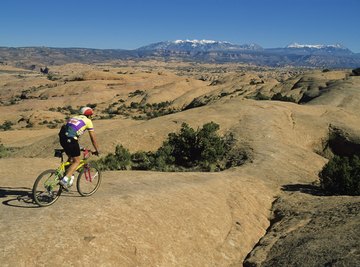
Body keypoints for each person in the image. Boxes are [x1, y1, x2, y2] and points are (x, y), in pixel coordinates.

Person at [58, 106, 100, 188]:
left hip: (63, 138)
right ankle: (65, 180)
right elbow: (93, 138)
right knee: (77, 161)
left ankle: (68, 177)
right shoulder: (88, 121)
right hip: (71, 139)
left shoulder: (74, 117)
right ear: (89, 115)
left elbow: (71, 132)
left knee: (71, 158)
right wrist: (97, 149)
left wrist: (80, 147)